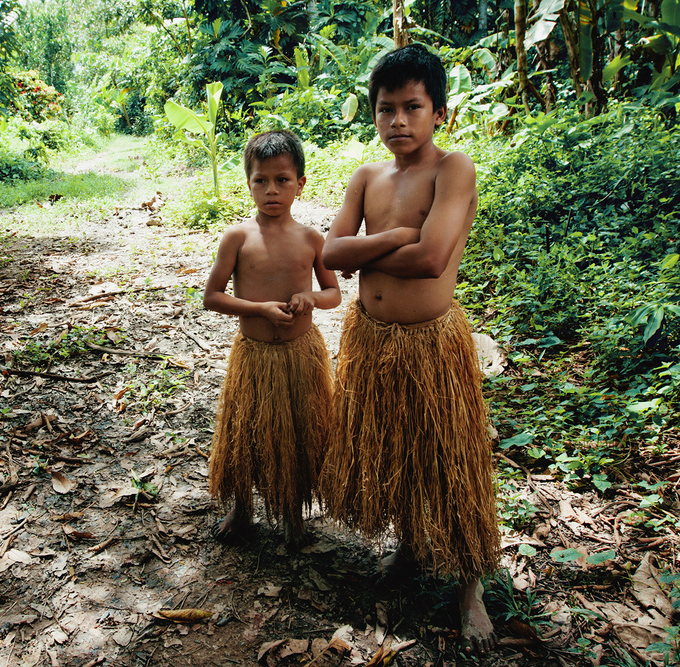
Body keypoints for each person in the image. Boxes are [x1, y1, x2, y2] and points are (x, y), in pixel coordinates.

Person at [318, 44, 501, 654]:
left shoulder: (455, 170)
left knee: (450, 458)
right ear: (372, 114)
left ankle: (469, 586)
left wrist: (373, 244)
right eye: (386, 108)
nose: (398, 120)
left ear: (440, 112)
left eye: (412, 107)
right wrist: (398, 233)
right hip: (372, 342)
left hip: (432, 344)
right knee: (393, 446)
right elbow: (328, 255)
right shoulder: (367, 177)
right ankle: (409, 545)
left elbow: (430, 259)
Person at [204, 129, 341, 545]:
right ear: (248, 184)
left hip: (301, 356)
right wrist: (259, 309)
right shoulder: (238, 238)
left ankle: (293, 515)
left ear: (301, 183)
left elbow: (334, 294)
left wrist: (309, 298)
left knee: (300, 434)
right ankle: (242, 509)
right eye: (260, 180)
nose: (271, 190)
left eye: (282, 180)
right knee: (245, 435)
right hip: (255, 356)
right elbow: (212, 297)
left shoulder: (312, 238)